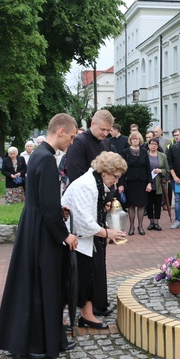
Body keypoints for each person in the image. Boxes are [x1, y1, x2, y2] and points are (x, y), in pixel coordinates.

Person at [0, 113, 79, 359]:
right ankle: (39, 343)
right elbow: (48, 209)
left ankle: (40, 340)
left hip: (33, 225)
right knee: (45, 286)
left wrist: (56, 209)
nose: (71, 142)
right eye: (71, 137)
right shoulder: (46, 159)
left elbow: (43, 200)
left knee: (32, 285)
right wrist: (66, 236)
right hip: (42, 231)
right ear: (60, 131)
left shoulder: (39, 156)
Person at [61, 151, 127, 329]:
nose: (116, 181)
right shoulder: (87, 185)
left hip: (85, 239)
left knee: (89, 277)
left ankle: (87, 315)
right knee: (71, 279)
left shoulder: (97, 183)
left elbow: (92, 215)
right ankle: (60, 318)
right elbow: (83, 221)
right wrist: (108, 233)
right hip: (73, 238)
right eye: (115, 176)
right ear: (104, 171)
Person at [64, 109, 114, 317]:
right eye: (102, 129)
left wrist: (107, 199)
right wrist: (98, 196)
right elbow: (76, 175)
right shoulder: (79, 143)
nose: (105, 133)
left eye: (108, 131)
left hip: (98, 203)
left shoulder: (103, 143)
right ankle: (88, 306)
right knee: (89, 258)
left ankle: (99, 302)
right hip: (84, 205)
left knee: (99, 255)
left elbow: (107, 173)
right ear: (92, 123)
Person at [118, 131, 152, 236]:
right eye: (133, 138)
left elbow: (148, 168)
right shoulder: (125, 152)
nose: (135, 140)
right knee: (131, 205)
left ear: (140, 140)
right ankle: (131, 226)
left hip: (142, 181)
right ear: (130, 140)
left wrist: (149, 183)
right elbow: (122, 169)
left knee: (141, 205)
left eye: (137, 138)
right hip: (130, 181)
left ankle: (140, 226)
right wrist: (121, 184)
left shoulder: (144, 151)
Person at [146, 138, 169, 231]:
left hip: (159, 183)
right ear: (148, 145)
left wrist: (161, 170)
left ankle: (156, 222)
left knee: (158, 203)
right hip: (148, 183)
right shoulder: (145, 155)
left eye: (155, 144)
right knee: (149, 203)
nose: (153, 145)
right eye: (152, 144)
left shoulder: (163, 156)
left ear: (158, 145)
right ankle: (151, 222)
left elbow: (167, 169)